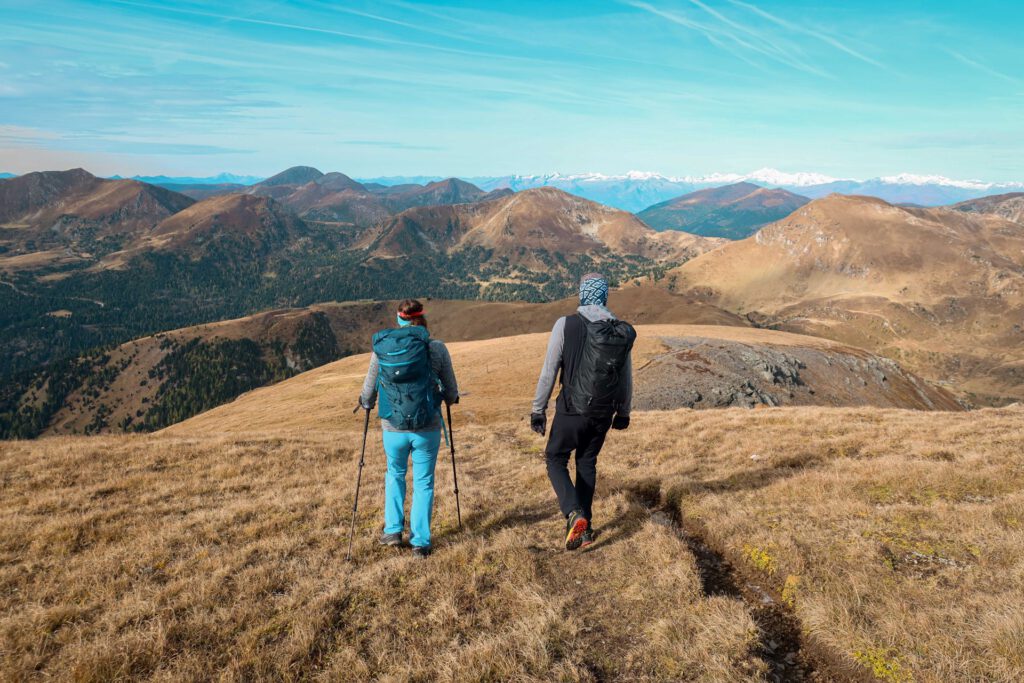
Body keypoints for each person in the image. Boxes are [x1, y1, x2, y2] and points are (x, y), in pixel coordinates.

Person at [530, 273, 635, 550]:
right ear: (604, 296)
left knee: (555, 458)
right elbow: (625, 377)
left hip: (571, 410)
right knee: (587, 463)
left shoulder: (566, 324)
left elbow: (549, 371)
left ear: (582, 294)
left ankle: (574, 513)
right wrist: (623, 412)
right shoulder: (616, 330)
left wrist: (537, 409)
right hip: (603, 413)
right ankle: (585, 529)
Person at [359, 299, 459, 558]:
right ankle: (420, 543)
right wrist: (450, 398)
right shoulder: (435, 348)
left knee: (395, 474)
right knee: (424, 482)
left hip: (393, 427)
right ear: (422, 318)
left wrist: (366, 403)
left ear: (399, 318)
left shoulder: (383, 349)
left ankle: (393, 531)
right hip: (427, 427)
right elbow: (451, 391)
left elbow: (369, 390)